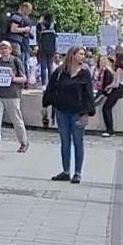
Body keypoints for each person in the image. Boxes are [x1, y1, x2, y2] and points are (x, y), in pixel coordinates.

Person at [43, 46, 95, 184]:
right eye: (80, 54)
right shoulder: (60, 72)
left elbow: (88, 95)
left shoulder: (85, 73)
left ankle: (77, 172)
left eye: (84, 54)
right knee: (65, 142)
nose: (83, 56)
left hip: (78, 112)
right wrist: (47, 104)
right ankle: (66, 171)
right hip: (62, 111)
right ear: (72, 55)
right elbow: (50, 89)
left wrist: (86, 113)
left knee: (78, 142)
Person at [0, 41, 30, 153]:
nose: (4, 51)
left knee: (16, 119)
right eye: (2, 49)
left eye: (6, 48)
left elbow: (24, 78)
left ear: (10, 50)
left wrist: (13, 78)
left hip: (12, 94)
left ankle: (23, 142)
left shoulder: (16, 61)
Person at [97, 51, 123, 137]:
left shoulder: (118, 69)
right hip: (121, 88)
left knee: (106, 108)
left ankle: (110, 130)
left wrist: (108, 87)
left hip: (118, 89)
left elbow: (116, 83)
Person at [35, 12, 57, 87]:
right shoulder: (54, 25)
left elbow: (37, 36)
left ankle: (44, 83)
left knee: (43, 66)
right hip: (51, 48)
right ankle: (51, 83)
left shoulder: (40, 25)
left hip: (42, 48)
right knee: (50, 66)